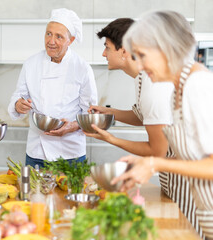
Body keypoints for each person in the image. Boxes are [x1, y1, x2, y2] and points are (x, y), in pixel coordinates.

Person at [84, 18, 200, 235]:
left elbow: (158, 152)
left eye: (107, 47)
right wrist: (108, 113)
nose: (103, 54)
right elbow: (142, 115)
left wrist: (111, 139)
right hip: (173, 177)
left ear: (125, 51)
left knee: (184, 234)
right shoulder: (142, 78)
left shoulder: (153, 87)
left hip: (189, 185)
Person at [111, 10, 213, 239]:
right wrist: (145, 162)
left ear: (165, 49)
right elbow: (193, 156)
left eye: (142, 55)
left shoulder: (197, 86)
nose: (140, 64)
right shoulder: (178, 89)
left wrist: (154, 163)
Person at [8, 8, 97, 168]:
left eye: (59, 36)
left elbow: (90, 113)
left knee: (70, 193)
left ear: (71, 40)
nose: (51, 41)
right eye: (48, 33)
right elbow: (18, 96)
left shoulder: (82, 68)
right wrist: (18, 105)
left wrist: (72, 126)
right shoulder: (31, 64)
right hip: (37, 152)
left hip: (71, 154)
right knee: (34, 193)